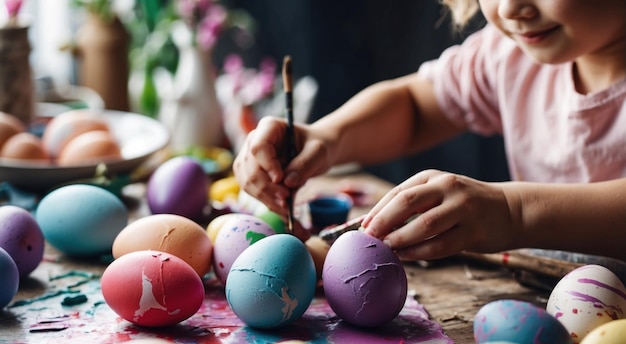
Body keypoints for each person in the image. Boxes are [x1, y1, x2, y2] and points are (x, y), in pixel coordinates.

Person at [233, 0, 626, 264]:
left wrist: (513, 212)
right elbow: (417, 107)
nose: (510, 8)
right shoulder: (508, 57)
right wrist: (326, 137)